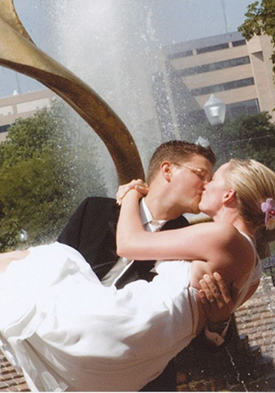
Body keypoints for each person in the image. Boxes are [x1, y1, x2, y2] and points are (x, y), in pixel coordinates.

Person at [0, 158, 275, 392]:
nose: (206, 184)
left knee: (34, 263)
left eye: (213, 179)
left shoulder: (222, 235)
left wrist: (131, 192)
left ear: (229, 196)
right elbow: (209, 315)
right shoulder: (251, 265)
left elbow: (129, 244)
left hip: (127, 326)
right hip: (139, 352)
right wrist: (218, 322)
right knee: (21, 264)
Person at [58, 139, 221, 392]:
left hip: (145, 379)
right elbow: (53, 275)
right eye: (201, 174)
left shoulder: (194, 243)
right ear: (167, 170)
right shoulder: (95, 211)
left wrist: (218, 321)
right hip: (70, 367)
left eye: (211, 179)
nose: (207, 185)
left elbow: (195, 341)